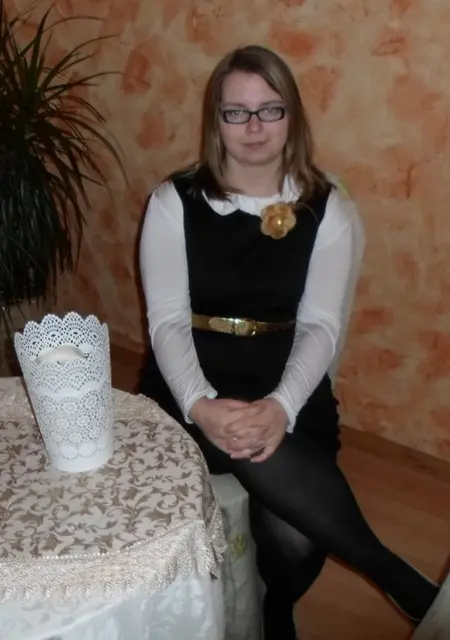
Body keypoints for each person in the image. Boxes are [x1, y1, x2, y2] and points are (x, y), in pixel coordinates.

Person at [138, 44, 449, 640]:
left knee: (298, 540)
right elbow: (168, 321)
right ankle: (401, 582)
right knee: (254, 454)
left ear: (292, 117)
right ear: (216, 121)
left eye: (270, 109)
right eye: (237, 112)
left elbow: (321, 326)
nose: (254, 127)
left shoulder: (327, 207)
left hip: (285, 374)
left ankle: (275, 610)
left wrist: (282, 405)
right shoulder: (173, 201)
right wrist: (199, 405)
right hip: (188, 373)